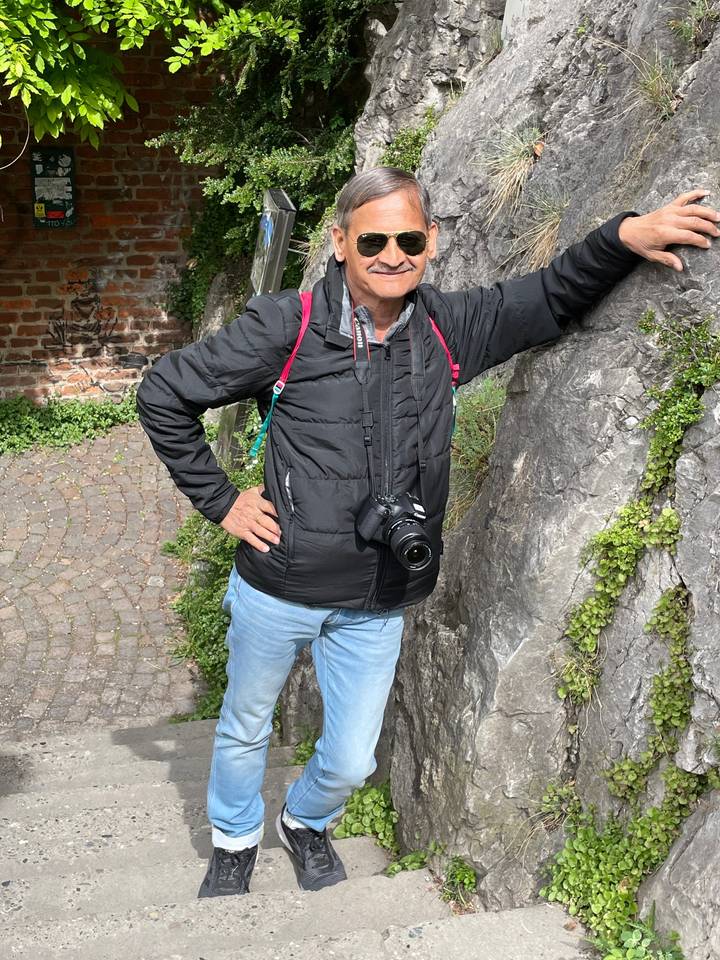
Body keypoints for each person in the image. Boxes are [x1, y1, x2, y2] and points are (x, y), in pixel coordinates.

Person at [136, 169, 719, 898]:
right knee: (246, 725)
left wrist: (624, 235)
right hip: (278, 584)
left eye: (407, 239)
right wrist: (222, 503)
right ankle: (234, 837)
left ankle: (307, 819)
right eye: (372, 239)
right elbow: (163, 394)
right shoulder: (286, 325)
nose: (391, 254)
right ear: (341, 242)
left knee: (350, 759)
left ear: (432, 242)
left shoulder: (447, 328)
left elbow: (546, 297)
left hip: (379, 595)